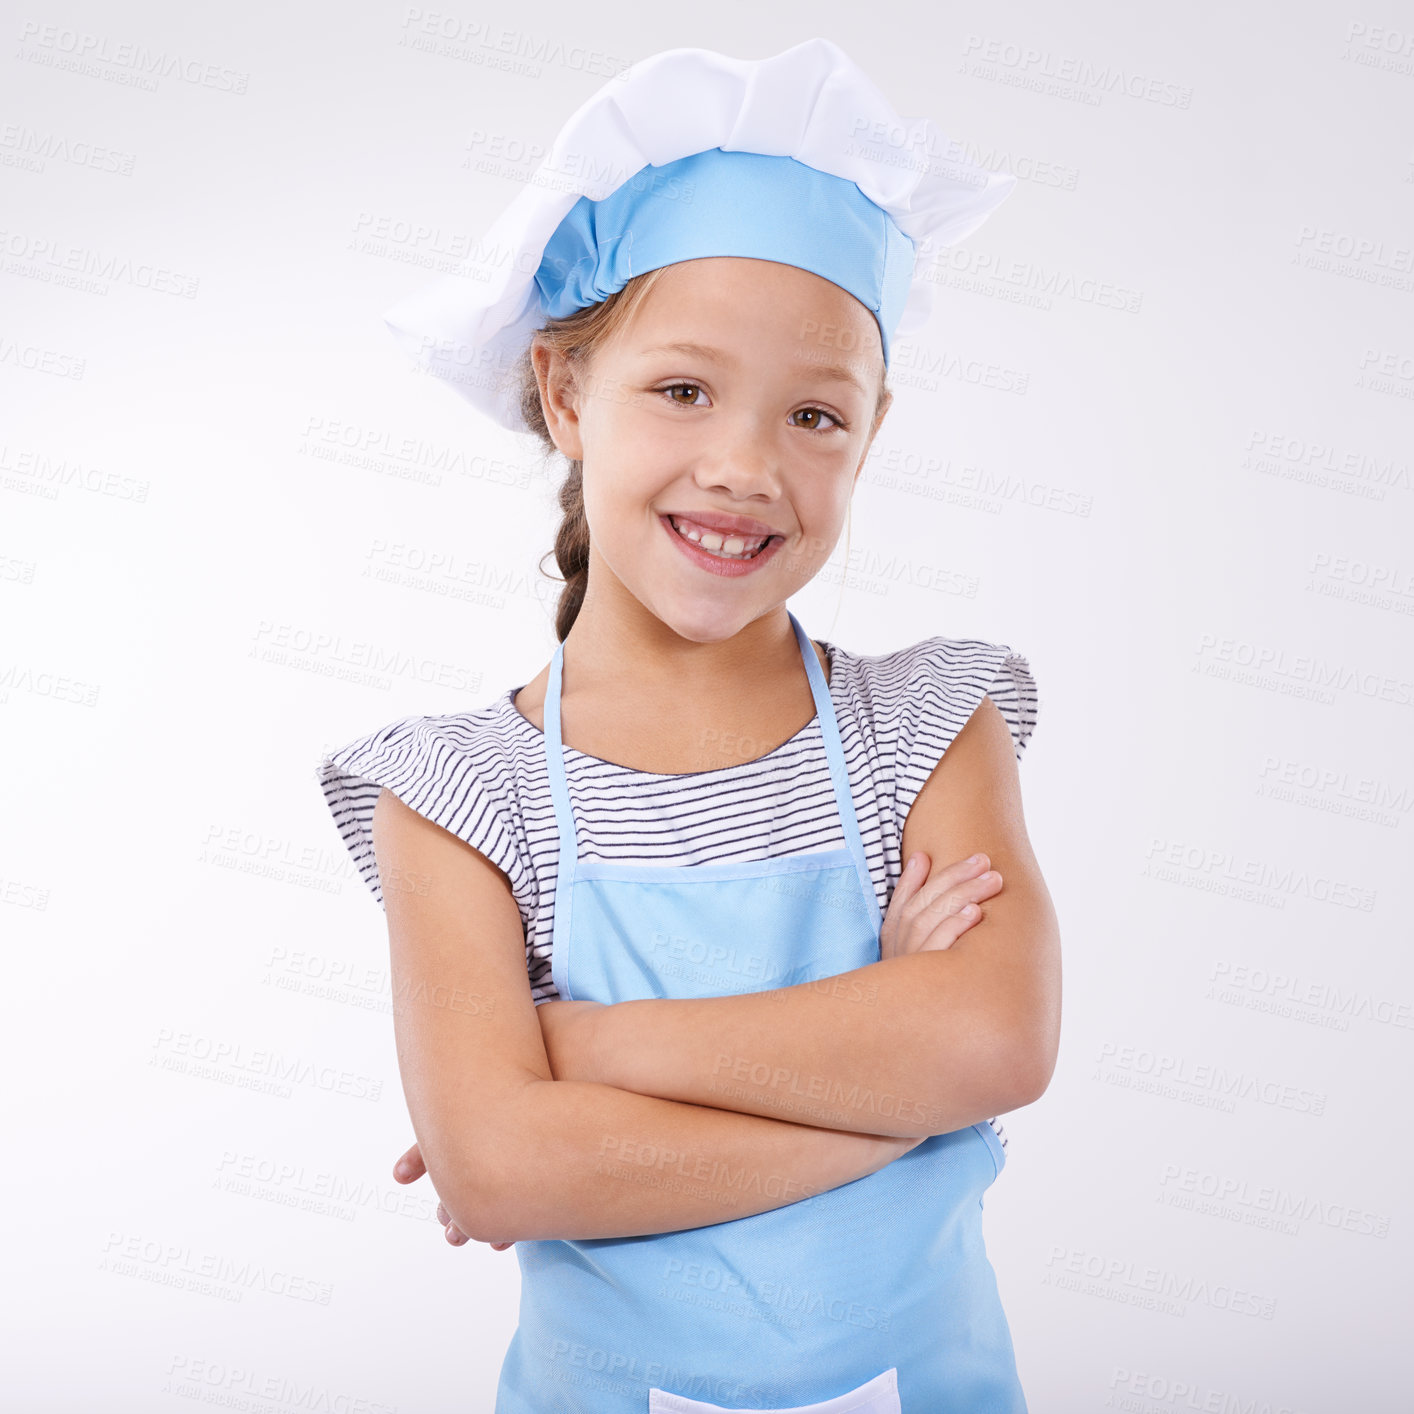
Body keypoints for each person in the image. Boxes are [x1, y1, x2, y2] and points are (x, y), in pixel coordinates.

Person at [318, 37, 1060, 1414]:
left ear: (869, 433)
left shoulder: (928, 719)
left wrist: (585, 1052)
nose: (744, 465)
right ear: (562, 394)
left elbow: (995, 1045)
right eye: (680, 388)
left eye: (815, 414)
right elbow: (499, 1169)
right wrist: (894, 1083)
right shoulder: (454, 792)